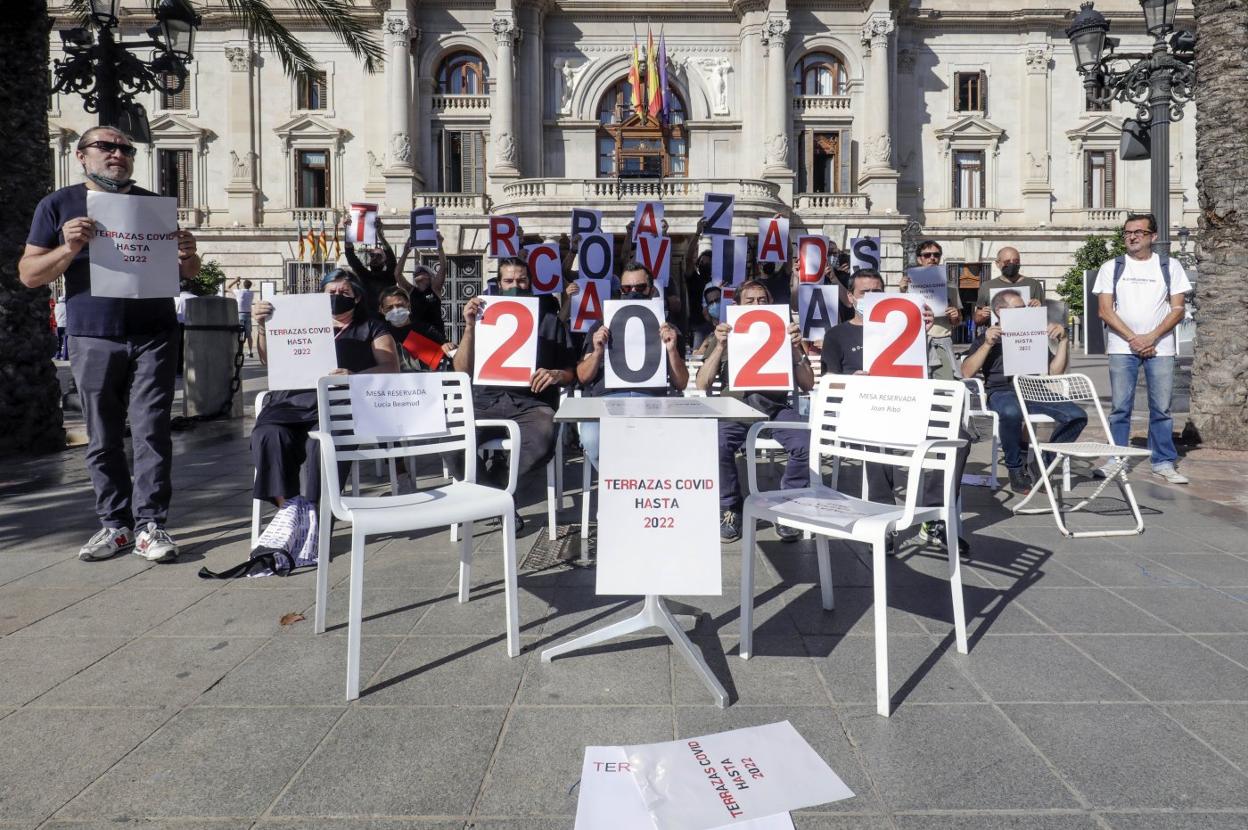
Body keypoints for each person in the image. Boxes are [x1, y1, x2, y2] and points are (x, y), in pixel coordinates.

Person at [20, 126, 200, 563]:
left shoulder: (151, 205)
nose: (117, 153)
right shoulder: (58, 205)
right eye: (106, 146)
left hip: (154, 332)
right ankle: (115, 526)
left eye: (125, 148)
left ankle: (151, 523)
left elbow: (187, 274)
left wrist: (189, 254)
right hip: (92, 334)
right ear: (81, 156)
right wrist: (68, 248)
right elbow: (29, 274)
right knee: (102, 436)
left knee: (151, 430)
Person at [821, 271, 970, 554]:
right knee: (876, 436)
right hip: (865, 407)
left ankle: (933, 517)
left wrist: (921, 331)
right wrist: (853, 377)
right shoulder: (837, 334)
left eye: (878, 290)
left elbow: (923, 368)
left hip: (908, 405)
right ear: (851, 298)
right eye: (865, 292)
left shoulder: (904, 326)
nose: (873, 296)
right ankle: (883, 519)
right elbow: (829, 381)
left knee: (958, 440)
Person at [249, 272, 398, 546]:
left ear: (357, 297)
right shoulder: (297, 321)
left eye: (344, 293)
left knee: (322, 444)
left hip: (338, 402)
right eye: (330, 292)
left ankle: (318, 516)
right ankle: (290, 510)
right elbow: (267, 360)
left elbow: (390, 367)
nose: (336, 297)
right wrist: (261, 326)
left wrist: (353, 376)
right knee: (269, 434)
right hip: (290, 401)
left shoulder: (372, 326)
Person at [451, 257, 578, 517]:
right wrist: (469, 327)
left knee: (543, 439)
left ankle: (496, 489)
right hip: (485, 402)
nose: (515, 285)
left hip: (532, 403)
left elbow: (570, 373)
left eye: (521, 280)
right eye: (508, 280)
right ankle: (498, 500)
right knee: (451, 439)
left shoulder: (549, 320)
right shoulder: (481, 317)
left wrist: (555, 374)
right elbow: (461, 370)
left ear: (531, 284)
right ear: (498, 284)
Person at [696, 279, 813, 543]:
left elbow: (808, 383)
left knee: (806, 441)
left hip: (775, 408)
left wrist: (796, 347)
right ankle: (730, 508)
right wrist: (721, 346)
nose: (757, 305)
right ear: (736, 306)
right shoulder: (723, 334)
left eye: (762, 300)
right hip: (734, 408)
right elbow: (702, 383)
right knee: (717, 442)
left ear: (771, 305)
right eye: (749, 301)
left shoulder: (785, 334)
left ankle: (788, 507)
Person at [1092, 213, 1192, 484]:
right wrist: (1134, 339)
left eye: (1138, 232)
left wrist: (1151, 337)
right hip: (1121, 347)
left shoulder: (1170, 267)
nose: (1132, 237)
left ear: (1153, 236)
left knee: (1161, 408)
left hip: (1160, 348)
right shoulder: (1111, 267)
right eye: (1127, 232)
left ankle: (1163, 461)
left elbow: (1178, 310)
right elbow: (1104, 310)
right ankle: (1116, 459)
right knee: (1120, 407)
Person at [961, 289, 1084, 492]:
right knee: (1011, 412)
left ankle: (1045, 462)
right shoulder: (987, 336)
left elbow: (1055, 371)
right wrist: (986, 344)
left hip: (1033, 389)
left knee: (1076, 415)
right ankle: (1016, 468)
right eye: (1019, 308)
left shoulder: (1032, 333)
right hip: (1001, 390)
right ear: (1000, 311)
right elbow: (967, 372)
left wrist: (1063, 341)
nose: (1026, 312)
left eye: (1025, 308)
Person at [575, 261, 689, 469]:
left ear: (652, 290)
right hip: (607, 398)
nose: (633, 292)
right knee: (593, 440)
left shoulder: (668, 327)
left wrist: (672, 350)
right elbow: (582, 376)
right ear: (621, 290)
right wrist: (597, 351)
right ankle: (617, 485)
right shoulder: (601, 324)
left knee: (666, 442)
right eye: (627, 288)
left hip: (652, 398)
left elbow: (681, 383)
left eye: (640, 288)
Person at [899, 240, 963, 380]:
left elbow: (958, 321)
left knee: (945, 386)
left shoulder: (950, 285)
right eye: (927, 255)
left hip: (941, 342)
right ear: (919, 259)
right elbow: (901, 317)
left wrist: (955, 315)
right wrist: (902, 292)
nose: (932, 258)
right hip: (915, 342)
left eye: (936, 255)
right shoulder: (909, 284)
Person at [378, 285, 452, 372]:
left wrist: (448, 346)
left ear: (408, 306)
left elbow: (446, 350)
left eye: (400, 305)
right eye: (389, 307)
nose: (395, 310)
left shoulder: (425, 330)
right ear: (382, 310)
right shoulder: (380, 334)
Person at [394, 231, 448, 340]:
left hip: (436, 334)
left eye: (422, 271)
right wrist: (405, 252)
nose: (418, 272)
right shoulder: (411, 290)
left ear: (430, 277)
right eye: (416, 273)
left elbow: (443, 268)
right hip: (417, 335)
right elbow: (397, 274)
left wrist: (440, 247)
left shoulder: (435, 289)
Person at [974, 247, 1045, 326]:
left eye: (1016, 261)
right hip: (996, 336)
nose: (1012, 264)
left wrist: (1040, 309)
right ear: (998, 264)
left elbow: (1045, 319)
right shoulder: (986, 286)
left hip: (1027, 335)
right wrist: (983, 315)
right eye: (1007, 262)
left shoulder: (1034, 285)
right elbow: (977, 320)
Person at [342, 214, 396, 311]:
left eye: (379, 256)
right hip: (367, 319)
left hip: (386, 319)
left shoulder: (390, 276)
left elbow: (391, 258)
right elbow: (350, 256)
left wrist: (379, 234)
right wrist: (348, 230)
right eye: (372, 255)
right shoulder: (365, 275)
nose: (374, 258)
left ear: (385, 260)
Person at [173, 280, 196, 377]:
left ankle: (178, 370)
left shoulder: (175, 298)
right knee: (191, 348)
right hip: (192, 326)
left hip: (177, 325)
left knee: (178, 348)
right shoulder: (195, 298)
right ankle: (191, 368)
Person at [234, 279, 255, 358]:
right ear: (250, 286)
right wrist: (238, 286)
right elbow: (241, 296)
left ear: (244, 285)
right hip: (248, 314)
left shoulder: (239, 292)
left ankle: (239, 350)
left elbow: (228, 287)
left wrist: (236, 281)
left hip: (240, 314)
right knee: (249, 335)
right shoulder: (251, 293)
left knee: (239, 333)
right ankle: (250, 352)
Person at [53, 294, 68, 360]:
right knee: (65, 341)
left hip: (58, 325)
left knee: (58, 341)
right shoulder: (67, 306)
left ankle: (57, 355)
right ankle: (65, 356)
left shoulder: (56, 306)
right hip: (65, 325)